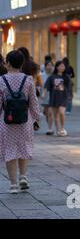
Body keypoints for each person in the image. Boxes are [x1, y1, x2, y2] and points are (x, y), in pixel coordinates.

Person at [0, 50, 40, 194]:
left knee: (9, 151)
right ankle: (23, 176)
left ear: (8, 63)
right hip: (25, 120)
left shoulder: (1, 80)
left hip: (7, 121)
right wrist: (36, 118)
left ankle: (13, 185)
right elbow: (33, 102)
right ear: (21, 63)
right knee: (24, 147)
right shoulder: (28, 79)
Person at [45, 61, 70, 137]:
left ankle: (62, 128)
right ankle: (58, 130)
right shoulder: (52, 77)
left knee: (61, 112)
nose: (62, 67)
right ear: (57, 67)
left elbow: (69, 88)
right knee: (55, 115)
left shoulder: (66, 77)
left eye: (63, 66)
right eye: (60, 66)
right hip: (54, 98)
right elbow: (47, 87)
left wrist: (70, 96)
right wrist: (44, 94)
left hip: (63, 97)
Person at [41, 61, 55, 135]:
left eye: (51, 65)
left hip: (53, 95)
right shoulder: (42, 75)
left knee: (50, 112)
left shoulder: (54, 75)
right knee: (46, 113)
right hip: (44, 96)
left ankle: (50, 128)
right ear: (45, 66)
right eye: (48, 65)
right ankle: (49, 126)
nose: (49, 67)